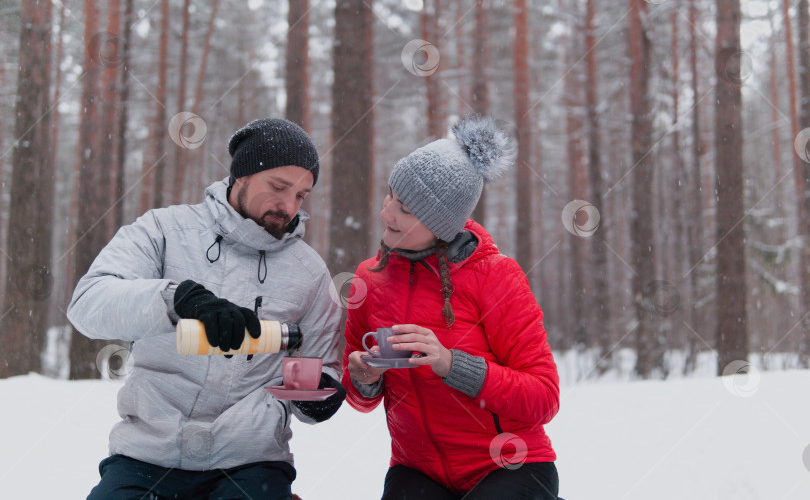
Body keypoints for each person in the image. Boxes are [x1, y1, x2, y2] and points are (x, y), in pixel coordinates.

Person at [68, 118, 346, 500]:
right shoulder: (164, 230)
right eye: (279, 187)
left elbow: (322, 367)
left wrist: (318, 392)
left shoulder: (309, 272)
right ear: (241, 175)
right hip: (148, 456)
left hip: (251, 463)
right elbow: (88, 304)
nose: (288, 206)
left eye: (301, 195)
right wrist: (175, 299)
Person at [342, 115, 561, 500]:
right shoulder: (369, 279)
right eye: (390, 195)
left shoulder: (497, 277)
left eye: (406, 210)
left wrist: (451, 364)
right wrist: (363, 377)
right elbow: (360, 400)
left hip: (510, 464)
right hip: (417, 469)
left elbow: (543, 397)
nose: (386, 213)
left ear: (441, 224)